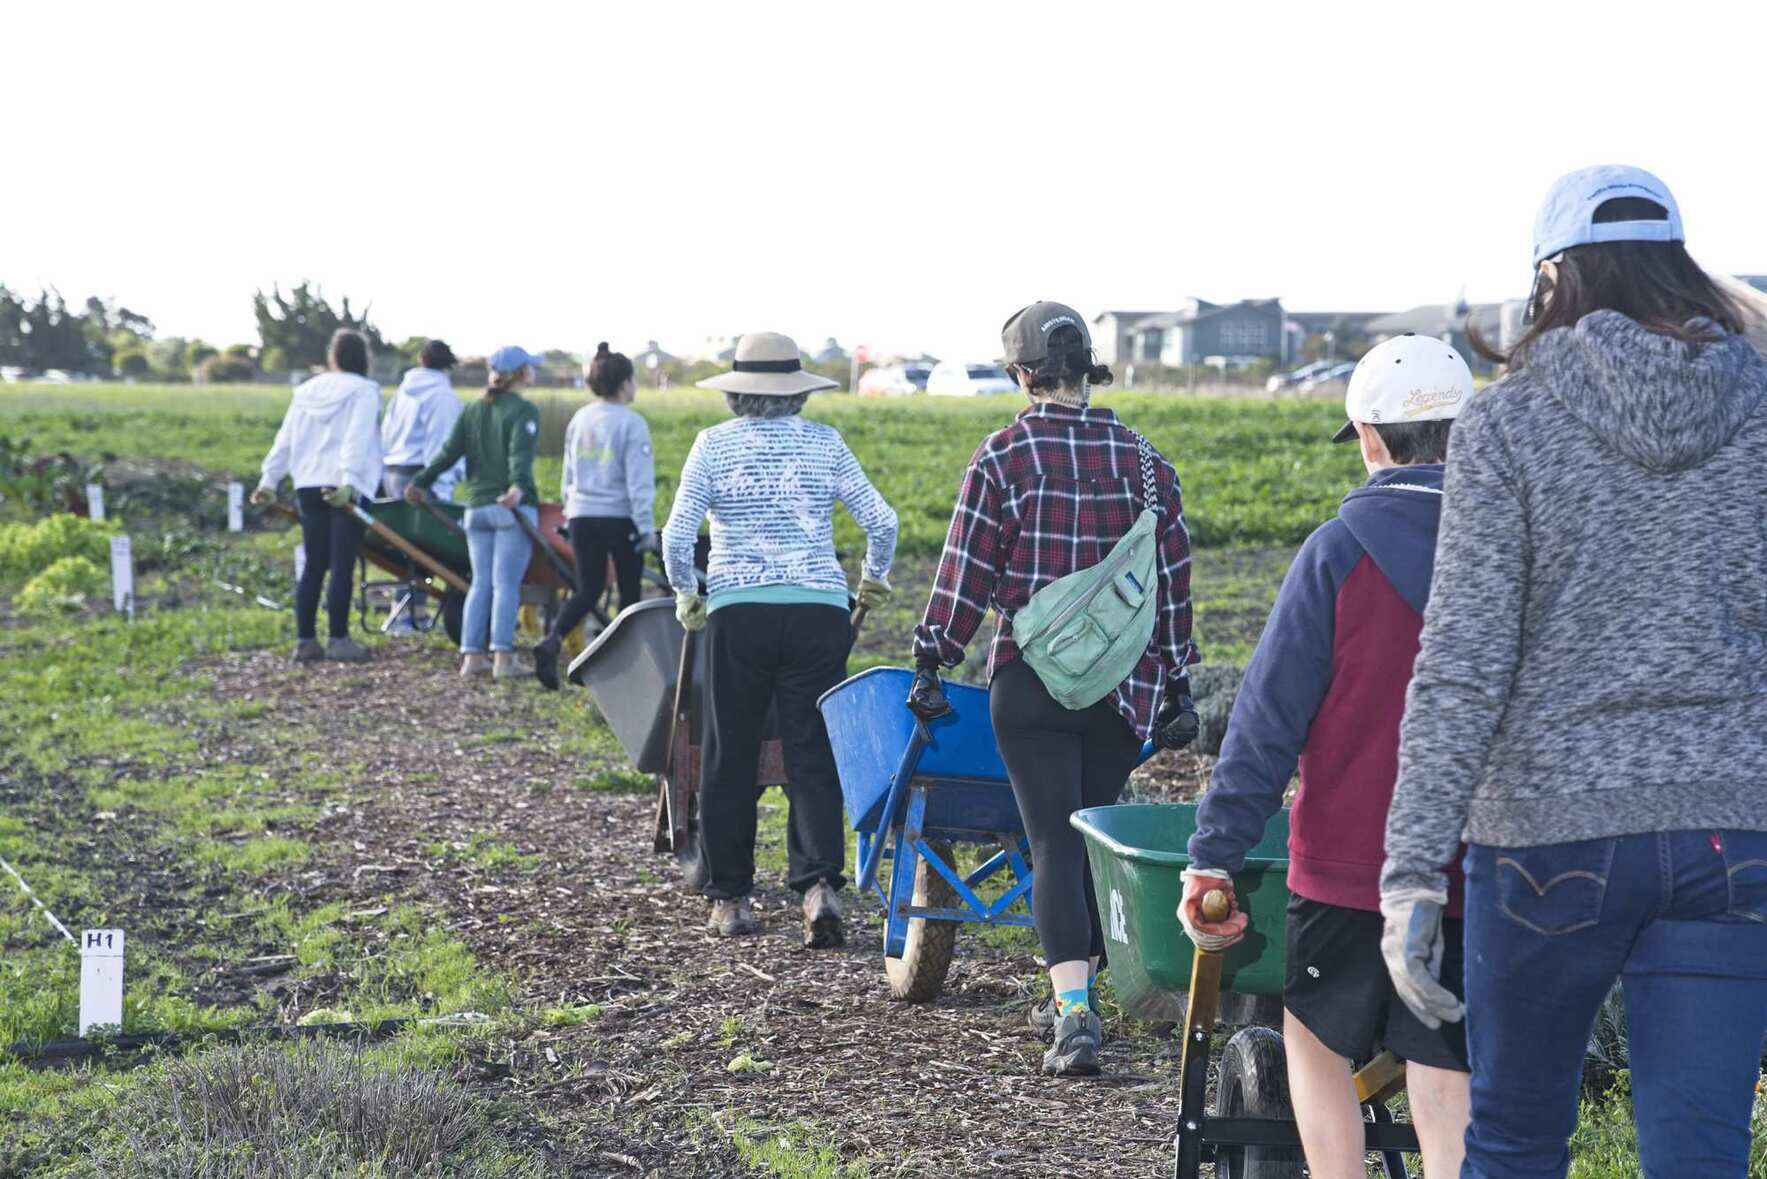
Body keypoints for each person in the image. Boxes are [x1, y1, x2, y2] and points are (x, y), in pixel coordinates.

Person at [1379, 165, 1767, 1178]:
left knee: (1512, 1145)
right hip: (1734, 836)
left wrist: (1412, 870)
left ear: (1554, 279)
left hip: (1550, 838)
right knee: (1703, 1157)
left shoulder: (1510, 423)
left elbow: (1461, 663)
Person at [1182, 334, 1474, 1177]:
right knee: (1445, 1073)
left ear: (1368, 439)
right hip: (1465, 867)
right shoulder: (1508, 550)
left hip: (1346, 865)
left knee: (1311, 1042)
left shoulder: (1337, 553)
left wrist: (1213, 856)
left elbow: (1264, 723)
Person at [909, 302, 1199, 1076]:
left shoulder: (1003, 455)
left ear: (1020, 372)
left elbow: (965, 573)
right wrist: (1175, 681)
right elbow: (1171, 584)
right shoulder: (1145, 461)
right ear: (1088, 366)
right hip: (1120, 693)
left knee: (1049, 843)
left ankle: (1074, 1013)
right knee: (1089, 844)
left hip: (1030, 684)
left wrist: (932, 657)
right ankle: (1083, 984)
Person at [662, 331, 896, 948]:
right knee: (813, 749)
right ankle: (819, 886)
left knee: (729, 752)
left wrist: (687, 592)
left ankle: (731, 899)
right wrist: (871, 582)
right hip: (819, 610)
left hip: (739, 613)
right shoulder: (824, 443)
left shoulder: (713, 445)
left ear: (737, 393)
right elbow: (883, 520)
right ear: (797, 392)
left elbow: (677, 533)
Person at [405, 346, 543, 681]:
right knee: (506, 584)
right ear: (522, 373)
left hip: (475, 509)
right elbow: (519, 458)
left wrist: (420, 481)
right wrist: (518, 487)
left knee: (480, 583)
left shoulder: (473, 410)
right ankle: (503, 658)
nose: (534, 372)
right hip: (507, 509)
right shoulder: (523, 411)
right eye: (531, 368)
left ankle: (471, 657)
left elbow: (447, 453)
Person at [251, 328, 383, 664]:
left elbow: (286, 438)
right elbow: (357, 436)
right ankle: (339, 639)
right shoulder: (365, 391)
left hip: (308, 483)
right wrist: (350, 480)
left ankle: (306, 640)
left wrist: (269, 479)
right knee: (342, 565)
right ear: (363, 358)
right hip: (344, 487)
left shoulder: (307, 391)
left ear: (332, 357)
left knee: (313, 564)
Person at [533, 342, 656, 690]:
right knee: (630, 596)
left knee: (588, 589)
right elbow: (639, 482)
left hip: (583, 515)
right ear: (624, 383)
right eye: (633, 380)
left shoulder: (580, 418)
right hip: (620, 517)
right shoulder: (632, 423)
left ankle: (552, 639)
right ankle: (627, 672)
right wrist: (645, 527)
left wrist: (569, 512)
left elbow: (568, 473)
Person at [379, 338, 464, 633]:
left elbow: (387, 432)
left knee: (408, 547)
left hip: (392, 471)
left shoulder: (403, 391)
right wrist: (441, 485)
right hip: (419, 475)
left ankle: (409, 613)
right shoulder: (443, 396)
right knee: (426, 548)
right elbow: (441, 445)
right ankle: (408, 615)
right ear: (448, 366)